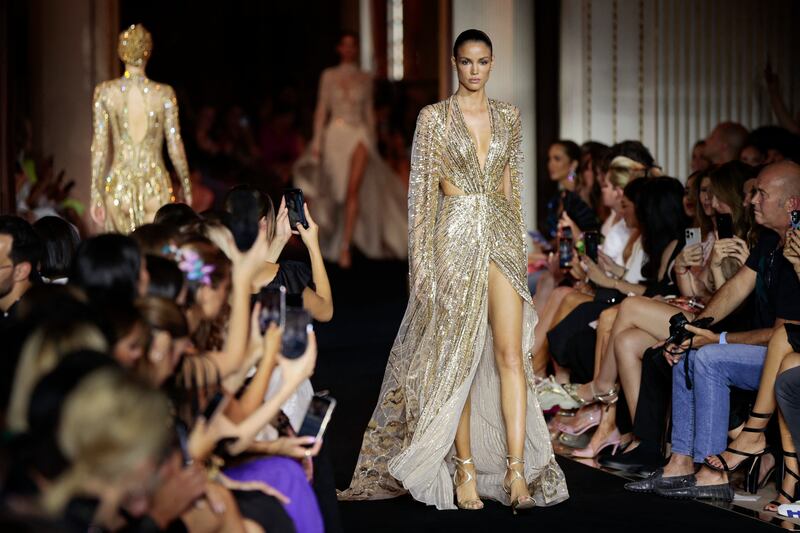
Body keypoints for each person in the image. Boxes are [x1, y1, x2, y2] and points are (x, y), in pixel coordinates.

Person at [339, 29, 568, 512]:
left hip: (501, 241)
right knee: (459, 359)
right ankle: (463, 469)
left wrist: (521, 249)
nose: (475, 70)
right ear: (454, 63)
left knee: (511, 357)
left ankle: (515, 470)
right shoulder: (434, 119)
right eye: (467, 62)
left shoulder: (509, 116)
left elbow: (512, 187)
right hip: (453, 241)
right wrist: (420, 269)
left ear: (492, 63)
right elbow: (420, 199)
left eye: (483, 61)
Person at [295, 31, 406, 268]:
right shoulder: (329, 75)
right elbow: (321, 109)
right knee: (336, 192)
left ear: (356, 49)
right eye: (344, 45)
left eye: (352, 45)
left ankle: (345, 247)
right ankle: (331, 242)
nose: (348, 49)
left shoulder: (365, 78)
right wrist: (316, 142)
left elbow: (368, 112)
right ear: (338, 48)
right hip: (334, 134)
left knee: (352, 190)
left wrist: (373, 141)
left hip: (359, 135)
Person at [90, 24, 192, 233]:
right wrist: (186, 185)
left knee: (123, 257)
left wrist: (95, 191)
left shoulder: (106, 92)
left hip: (119, 185)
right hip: (155, 184)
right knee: (155, 253)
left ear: (121, 51)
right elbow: (175, 144)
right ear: (148, 51)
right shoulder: (164, 94)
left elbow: (99, 146)